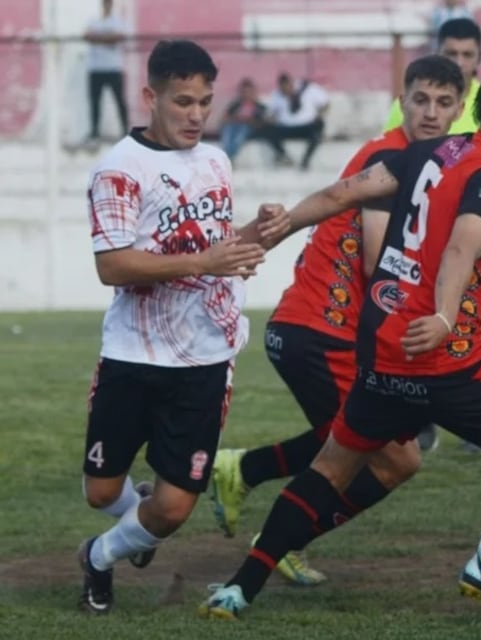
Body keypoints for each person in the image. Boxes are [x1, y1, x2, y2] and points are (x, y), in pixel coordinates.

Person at [199, 54, 481, 622]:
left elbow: (343, 193)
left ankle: (239, 588)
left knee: (332, 468)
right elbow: (463, 246)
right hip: (448, 363)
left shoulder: (424, 154)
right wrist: (444, 317)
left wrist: (279, 227)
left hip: (382, 356)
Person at [207, 54, 467, 586]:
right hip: (318, 331)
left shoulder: (429, 161)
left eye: (444, 103)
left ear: (459, 109)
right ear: (404, 101)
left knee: (357, 446)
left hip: (325, 333)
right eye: (420, 100)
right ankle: (277, 539)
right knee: (394, 459)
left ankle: (245, 475)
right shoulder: (391, 157)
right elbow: (378, 261)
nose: (431, 113)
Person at [78, 39, 289, 615]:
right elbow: (112, 265)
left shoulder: (216, 161)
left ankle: (98, 557)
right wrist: (206, 261)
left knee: (171, 512)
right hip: (131, 354)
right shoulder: (120, 169)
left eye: (205, 102)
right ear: (151, 96)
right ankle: (128, 522)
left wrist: (256, 230)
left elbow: (219, 247)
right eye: (183, 102)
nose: (197, 115)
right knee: (100, 491)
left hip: (204, 358)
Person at [385, 17, 481, 452]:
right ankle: (419, 417)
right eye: (452, 54)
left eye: (468, 56)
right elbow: (394, 161)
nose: (460, 63)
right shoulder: (413, 103)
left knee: (471, 322)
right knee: (414, 321)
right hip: (419, 236)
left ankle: (468, 421)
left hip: (470, 233)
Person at [261, 72, 331, 170]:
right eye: (283, 88)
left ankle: (305, 160)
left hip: (307, 126)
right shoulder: (277, 94)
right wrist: (269, 120)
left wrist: (319, 115)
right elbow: (271, 113)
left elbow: (326, 103)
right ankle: (284, 156)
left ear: (291, 83)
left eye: (287, 86)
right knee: (266, 130)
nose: (285, 90)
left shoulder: (308, 89)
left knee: (319, 126)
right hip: (286, 128)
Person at [84, 0, 129, 143]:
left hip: (113, 67)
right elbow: (87, 36)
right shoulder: (94, 20)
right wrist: (107, 37)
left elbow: (118, 37)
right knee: (94, 102)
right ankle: (94, 132)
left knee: (119, 100)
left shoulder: (118, 21)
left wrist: (98, 38)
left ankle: (125, 129)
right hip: (96, 68)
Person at [219, 78, 267, 163]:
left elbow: (263, 122)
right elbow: (224, 119)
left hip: (248, 128)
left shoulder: (259, 107)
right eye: (244, 92)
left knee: (239, 136)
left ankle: (228, 157)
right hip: (233, 126)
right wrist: (236, 118)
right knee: (227, 134)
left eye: (249, 92)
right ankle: (227, 157)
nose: (246, 94)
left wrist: (248, 120)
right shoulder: (235, 105)